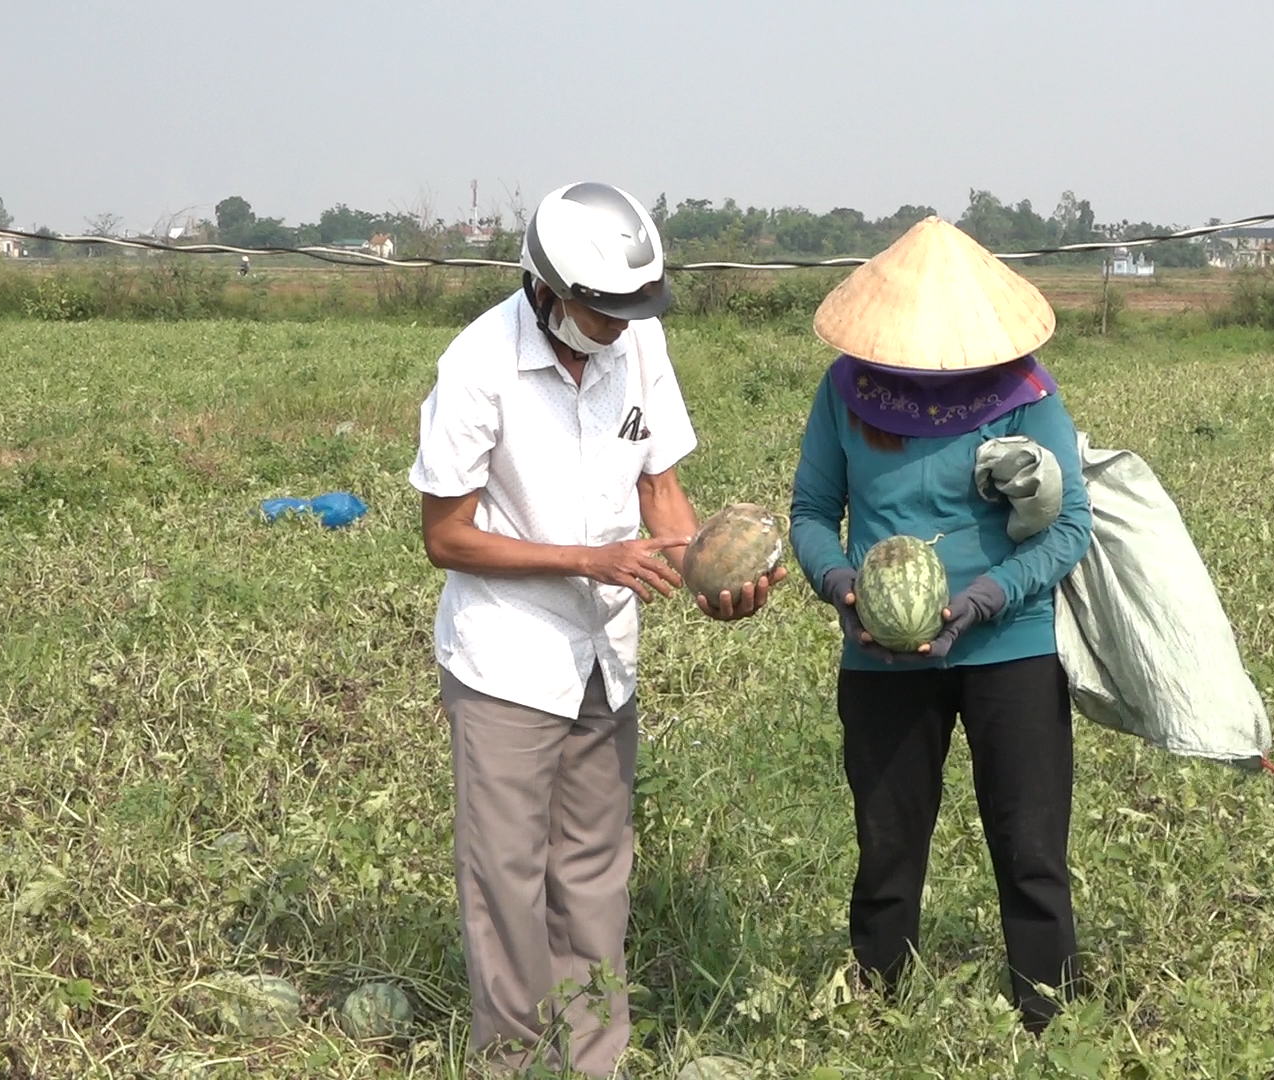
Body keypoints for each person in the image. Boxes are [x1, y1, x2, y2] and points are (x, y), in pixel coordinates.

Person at [408, 181, 785, 1077]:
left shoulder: (638, 343)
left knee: (592, 875)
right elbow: (445, 536)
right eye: (599, 310)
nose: (616, 327)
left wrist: (712, 572)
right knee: (507, 880)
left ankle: (594, 1062)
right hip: (509, 658)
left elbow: (661, 490)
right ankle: (518, 1064)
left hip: (604, 657)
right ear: (542, 286)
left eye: (628, 310)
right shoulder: (478, 364)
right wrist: (591, 559)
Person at [788, 217, 1094, 1031]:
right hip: (881, 660)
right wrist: (843, 583)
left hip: (1012, 650)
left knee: (1031, 850)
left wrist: (984, 599)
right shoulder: (847, 392)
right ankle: (882, 1012)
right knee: (887, 847)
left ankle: (1049, 1019)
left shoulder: (1025, 394)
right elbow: (814, 511)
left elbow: (1070, 527)